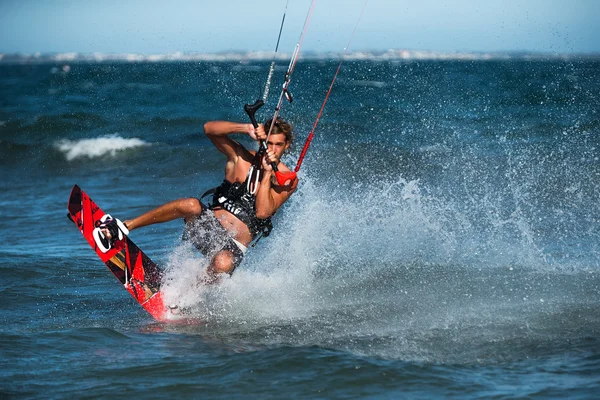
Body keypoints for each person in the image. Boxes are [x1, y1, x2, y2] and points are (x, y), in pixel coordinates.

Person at [96, 118, 298, 281]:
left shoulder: (286, 180)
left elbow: (263, 212)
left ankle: (187, 293)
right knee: (191, 204)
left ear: (286, 145)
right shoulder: (241, 157)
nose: (272, 149)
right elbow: (209, 129)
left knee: (223, 263)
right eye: (268, 143)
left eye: (278, 144)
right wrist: (245, 128)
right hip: (207, 231)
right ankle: (121, 228)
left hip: (233, 248)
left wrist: (265, 175)